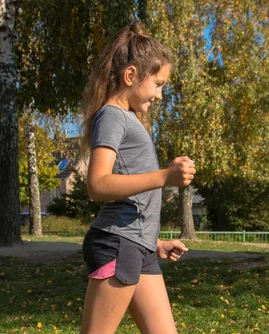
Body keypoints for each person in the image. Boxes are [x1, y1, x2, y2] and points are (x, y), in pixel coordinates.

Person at [79, 21, 196, 334]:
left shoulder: (127, 118)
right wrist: (165, 176)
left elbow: (130, 196)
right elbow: (98, 184)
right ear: (130, 75)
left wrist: (153, 242)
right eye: (157, 84)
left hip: (137, 247)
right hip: (118, 243)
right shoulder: (111, 115)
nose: (159, 95)